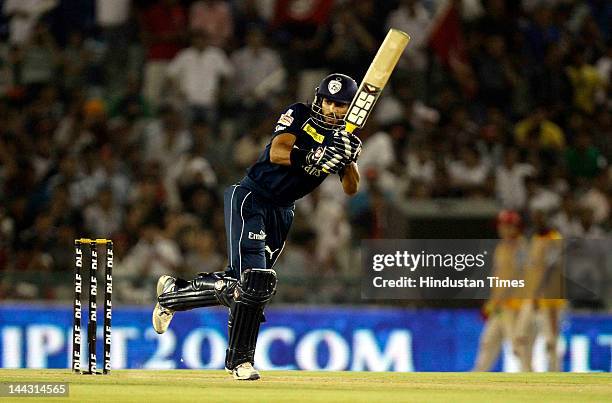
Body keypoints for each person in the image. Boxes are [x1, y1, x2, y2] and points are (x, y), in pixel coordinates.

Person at [151, 73, 362, 380]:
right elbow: (278, 151)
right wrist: (312, 155)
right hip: (252, 197)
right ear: (319, 99)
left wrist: (351, 159)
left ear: (348, 108)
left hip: (283, 212)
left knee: (247, 286)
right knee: (252, 281)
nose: (331, 109)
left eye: (339, 105)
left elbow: (351, 188)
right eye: (328, 101)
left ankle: (173, 294)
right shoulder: (300, 114)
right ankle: (239, 362)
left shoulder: (341, 139)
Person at [473, 210, 527, 371]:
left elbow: (519, 277)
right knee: (488, 342)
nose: (502, 229)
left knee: (518, 347)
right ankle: (476, 379)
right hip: (500, 307)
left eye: (506, 226)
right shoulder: (501, 247)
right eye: (501, 225)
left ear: (515, 227)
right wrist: (491, 302)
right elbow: (498, 278)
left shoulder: (521, 248)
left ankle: (532, 380)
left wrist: (496, 301)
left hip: (515, 307)